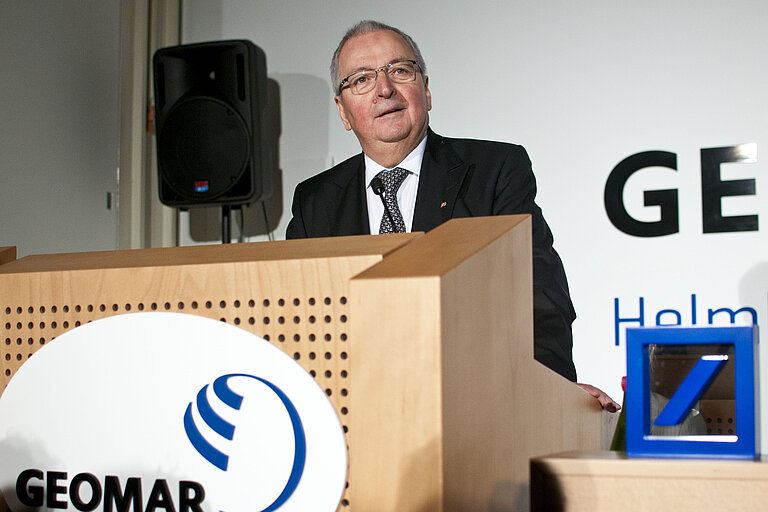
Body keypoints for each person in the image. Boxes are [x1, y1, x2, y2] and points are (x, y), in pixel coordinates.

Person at [286, 20, 578, 384]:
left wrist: (549, 388)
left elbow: (541, 296)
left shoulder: (494, 171)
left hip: (475, 396)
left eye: (400, 71)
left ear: (425, 90)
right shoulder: (315, 202)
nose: (384, 89)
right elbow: (297, 323)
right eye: (361, 79)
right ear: (343, 111)